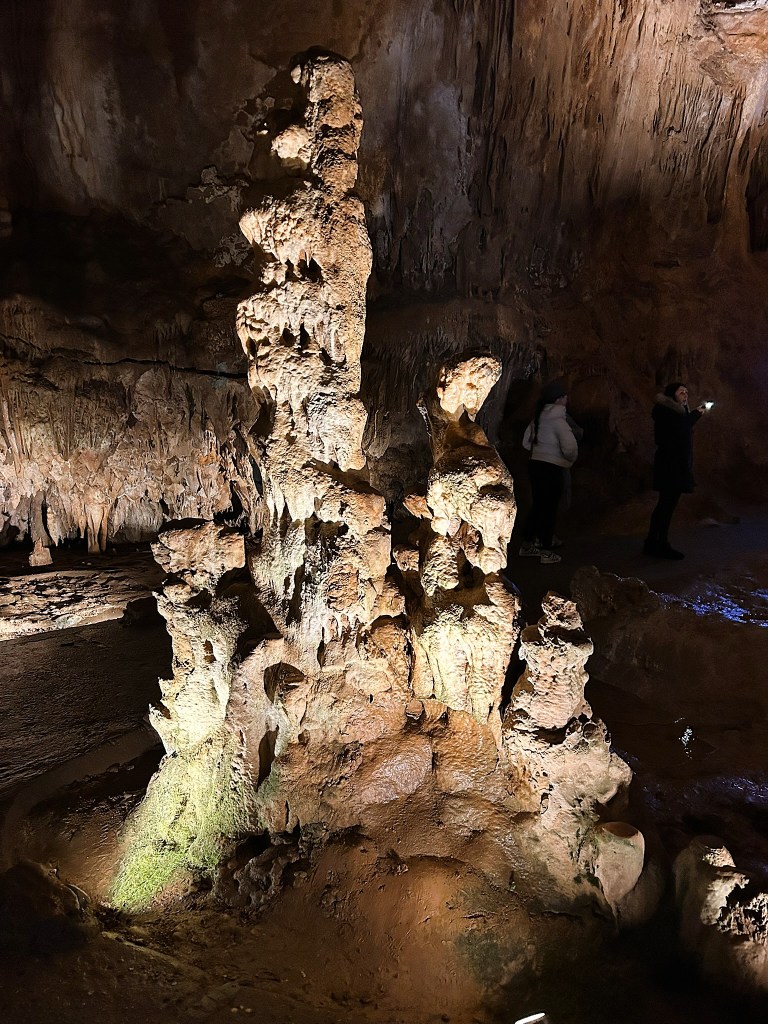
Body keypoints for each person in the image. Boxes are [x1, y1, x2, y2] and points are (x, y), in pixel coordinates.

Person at [644, 381, 709, 559]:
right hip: (670, 467)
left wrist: (692, 414)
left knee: (665, 505)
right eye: (681, 392)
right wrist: (697, 413)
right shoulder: (667, 412)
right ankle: (660, 544)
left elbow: (682, 427)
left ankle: (653, 542)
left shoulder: (677, 413)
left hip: (673, 466)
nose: (685, 395)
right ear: (672, 395)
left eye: (686, 392)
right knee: (666, 506)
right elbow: (679, 429)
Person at [519, 381, 578, 564]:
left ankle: (527, 545)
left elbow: (526, 443)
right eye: (565, 396)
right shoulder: (558, 420)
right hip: (551, 468)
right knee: (549, 509)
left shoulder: (538, 417)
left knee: (538, 506)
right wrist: (568, 460)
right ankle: (546, 549)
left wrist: (540, 451)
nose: (567, 399)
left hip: (535, 465)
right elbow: (569, 446)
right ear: (559, 399)